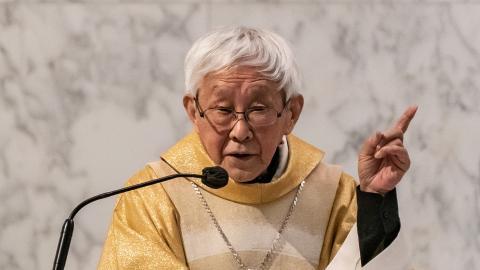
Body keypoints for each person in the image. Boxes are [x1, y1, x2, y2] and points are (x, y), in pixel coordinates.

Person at [98, 26, 417, 270]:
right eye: (223, 110)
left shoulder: (334, 195)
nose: (240, 131)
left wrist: (374, 200)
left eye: (258, 110)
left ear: (290, 114)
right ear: (194, 112)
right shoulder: (153, 196)